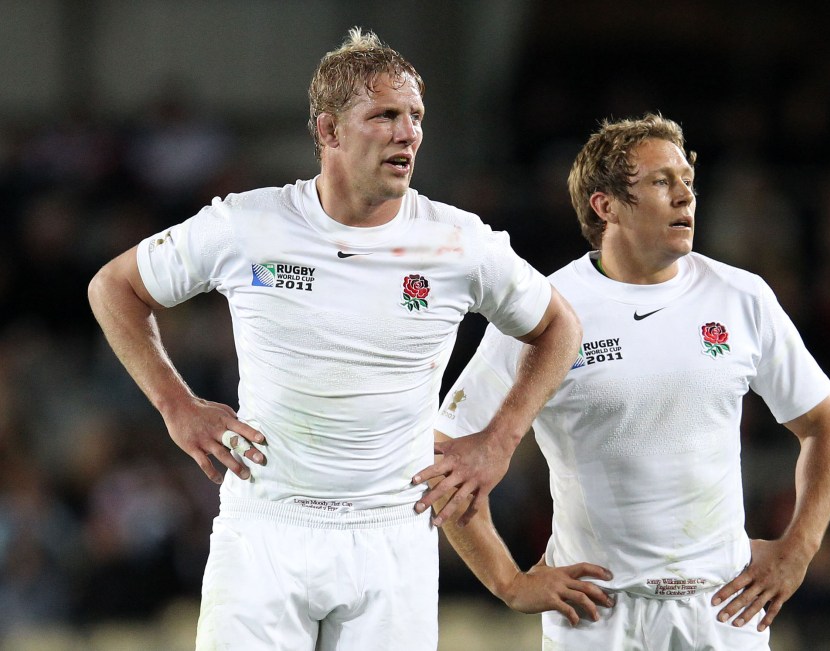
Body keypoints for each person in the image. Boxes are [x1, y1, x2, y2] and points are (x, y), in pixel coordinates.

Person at [87, 28, 590, 651]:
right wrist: (176, 405)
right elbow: (113, 288)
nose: (409, 133)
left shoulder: (459, 242)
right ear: (328, 131)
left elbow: (560, 327)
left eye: (416, 117)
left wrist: (499, 440)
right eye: (385, 116)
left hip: (393, 535)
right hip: (266, 528)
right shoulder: (248, 225)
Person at [433, 113, 830, 650]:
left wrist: (799, 550)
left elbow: (825, 423)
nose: (686, 197)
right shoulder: (545, 311)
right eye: (661, 182)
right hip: (599, 617)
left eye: (687, 181)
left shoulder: (741, 298)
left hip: (724, 611)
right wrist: (507, 581)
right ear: (604, 205)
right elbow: (447, 452)